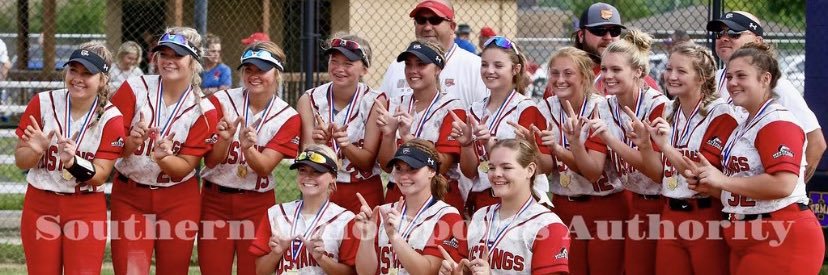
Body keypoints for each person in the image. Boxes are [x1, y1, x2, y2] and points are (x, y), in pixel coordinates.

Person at [685, 42, 824, 274]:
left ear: (764, 79)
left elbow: (783, 183)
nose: (732, 83)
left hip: (781, 235)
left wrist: (722, 181)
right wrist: (710, 185)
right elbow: (743, 188)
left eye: (741, 76)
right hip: (750, 233)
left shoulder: (777, 121)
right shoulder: (745, 123)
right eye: (729, 76)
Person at [109, 26, 219, 275]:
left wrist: (165, 158)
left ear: (193, 61)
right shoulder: (134, 88)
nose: (168, 61)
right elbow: (112, 150)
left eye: (177, 55)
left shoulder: (205, 109)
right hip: (130, 195)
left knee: (173, 270)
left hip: (178, 198)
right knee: (131, 270)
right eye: (163, 54)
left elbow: (185, 168)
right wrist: (131, 143)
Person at [15, 41, 124, 275]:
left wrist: (72, 162)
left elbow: (100, 176)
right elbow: (21, 161)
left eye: (88, 73)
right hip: (40, 203)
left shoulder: (111, 118)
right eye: (74, 70)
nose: (78, 78)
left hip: (84, 207)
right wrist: (36, 150)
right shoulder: (42, 102)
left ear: (103, 80)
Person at [625, 43, 733, 275]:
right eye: (669, 69)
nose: (671, 76)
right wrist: (645, 145)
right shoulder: (669, 112)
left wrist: (666, 147)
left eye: (681, 71)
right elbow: (658, 175)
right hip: (671, 212)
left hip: (706, 215)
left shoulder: (721, 113)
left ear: (702, 77)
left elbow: (700, 178)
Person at [199, 41, 301, 275]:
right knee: (213, 269)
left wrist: (248, 149)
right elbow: (211, 162)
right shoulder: (220, 101)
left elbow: (264, 167)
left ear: (277, 73)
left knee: (252, 270)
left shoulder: (288, 116)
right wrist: (224, 140)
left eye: (262, 69)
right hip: (215, 200)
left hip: (257, 204)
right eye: (248, 69)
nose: (254, 75)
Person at [706, 11, 825, 183]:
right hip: (727, 193)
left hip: (758, 195)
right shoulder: (715, 80)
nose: (724, 38)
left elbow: (816, 142)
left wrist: (791, 188)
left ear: (758, 41)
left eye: (734, 33)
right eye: (719, 33)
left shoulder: (775, 85)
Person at [537, 46, 626, 275]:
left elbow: (594, 172)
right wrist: (534, 149)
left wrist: (557, 148)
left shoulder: (603, 107)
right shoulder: (544, 108)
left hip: (605, 205)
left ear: (585, 77)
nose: (560, 80)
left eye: (568, 73)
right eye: (555, 73)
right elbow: (545, 167)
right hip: (565, 204)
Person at [586, 29, 668, 275]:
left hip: (665, 203)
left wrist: (609, 140)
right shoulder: (603, 106)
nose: (608, 76)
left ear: (639, 72)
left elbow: (656, 172)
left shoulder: (659, 106)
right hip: (635, 203)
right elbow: (595, 169)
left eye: (616, 70)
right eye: (605, 69)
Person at [449, 36, 553, 214]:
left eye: (498, 65)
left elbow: (543, 167)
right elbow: (470, 172)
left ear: (515, 69)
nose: (489, 71)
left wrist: (489, 143)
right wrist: (466, 145)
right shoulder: (474, 110)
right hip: (482, 200)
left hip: (519, 200)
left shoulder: (526, 109)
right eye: (484, 64)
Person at [440, 138, 570, 275]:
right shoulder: (480, 216)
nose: (496, 174)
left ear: (530, 170)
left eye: (506, 167)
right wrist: (457, 271)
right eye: (491, 167)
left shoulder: (548, 225)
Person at [297, 33, 386, 214]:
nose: (339, 68)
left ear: (364, 69)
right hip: (320, 187)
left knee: (362, 241)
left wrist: (345, 145)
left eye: (348, 63)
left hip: (362, 188)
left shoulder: (375, 101)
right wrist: (317, 145)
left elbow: (367, 162)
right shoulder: (310, 99)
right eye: (334, 61)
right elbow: (304, 156)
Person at [376, 39, 467, 213]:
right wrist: (389, 135)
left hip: (437, 197)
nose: (413, 71)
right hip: (399, 194)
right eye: (408, 65)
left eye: (421, 64)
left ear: (438, 69)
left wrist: (408, 138)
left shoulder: (453, 108)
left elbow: (442, 166)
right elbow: (387, 166)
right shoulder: (395, 104)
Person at [355, 139, 467, 275]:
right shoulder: (383, 212)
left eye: (413, 169)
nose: (404, 176)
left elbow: (427, 272)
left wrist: (394, 236)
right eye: (398, 169)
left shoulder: (447, 215)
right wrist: (367, 237)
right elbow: (365, 273)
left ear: (431, 171)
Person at [249, 145, 359, 274]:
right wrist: (276, 253)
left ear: (333, 177)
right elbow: (260, 271)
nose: (308, 176)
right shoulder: (276, 213)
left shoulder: (345, 219)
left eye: (317, 171)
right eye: (302, 170)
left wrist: (321, 258)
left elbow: (351, 273)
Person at [379, 0, 487, 106]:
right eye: (421, 20)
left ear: (452, 27)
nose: (427, 27)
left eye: (435, 20)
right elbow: (381, 113)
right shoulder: (398, 65)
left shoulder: (475, 67)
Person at [545, 2, 660, 98]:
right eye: (599, 30)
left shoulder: (637, 78)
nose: (608, 37)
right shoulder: (562, 79)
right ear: (581, 35)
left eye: (615, 31)